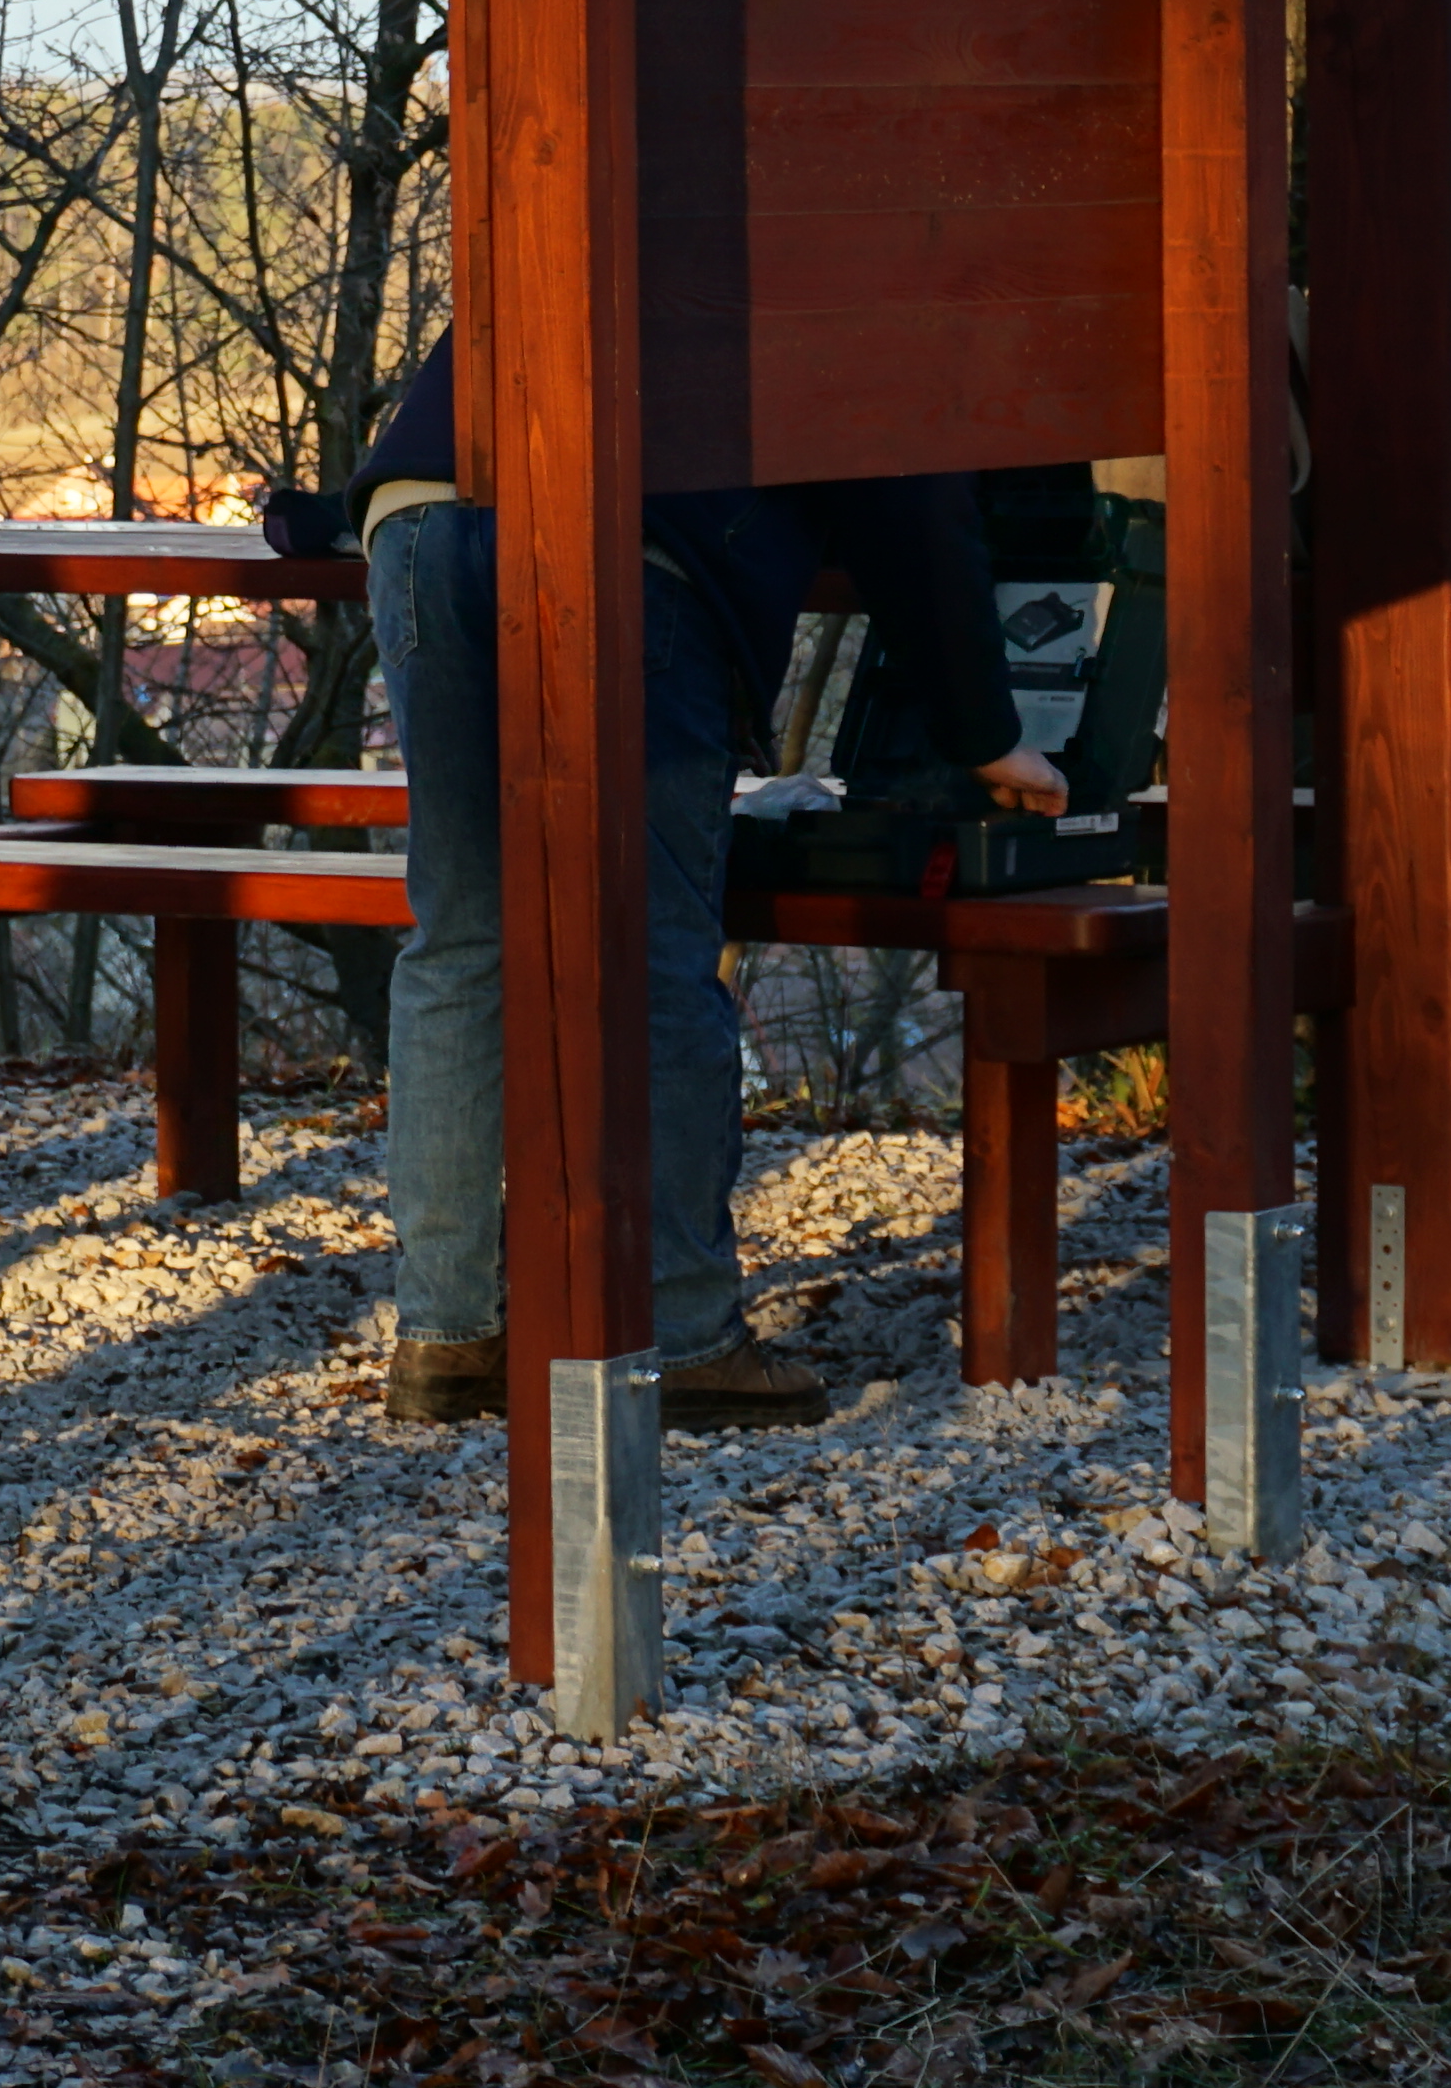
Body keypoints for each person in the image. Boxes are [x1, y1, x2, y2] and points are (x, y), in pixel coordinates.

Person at [295, 333, 1067, 1432]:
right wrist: (989, 735)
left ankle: (447, 1336)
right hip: (628, 534)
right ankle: (687, 1335)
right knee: (655, 952)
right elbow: (916, 507)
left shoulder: (657, 171)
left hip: (419, 509)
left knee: (463, 938)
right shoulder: (836, 231)